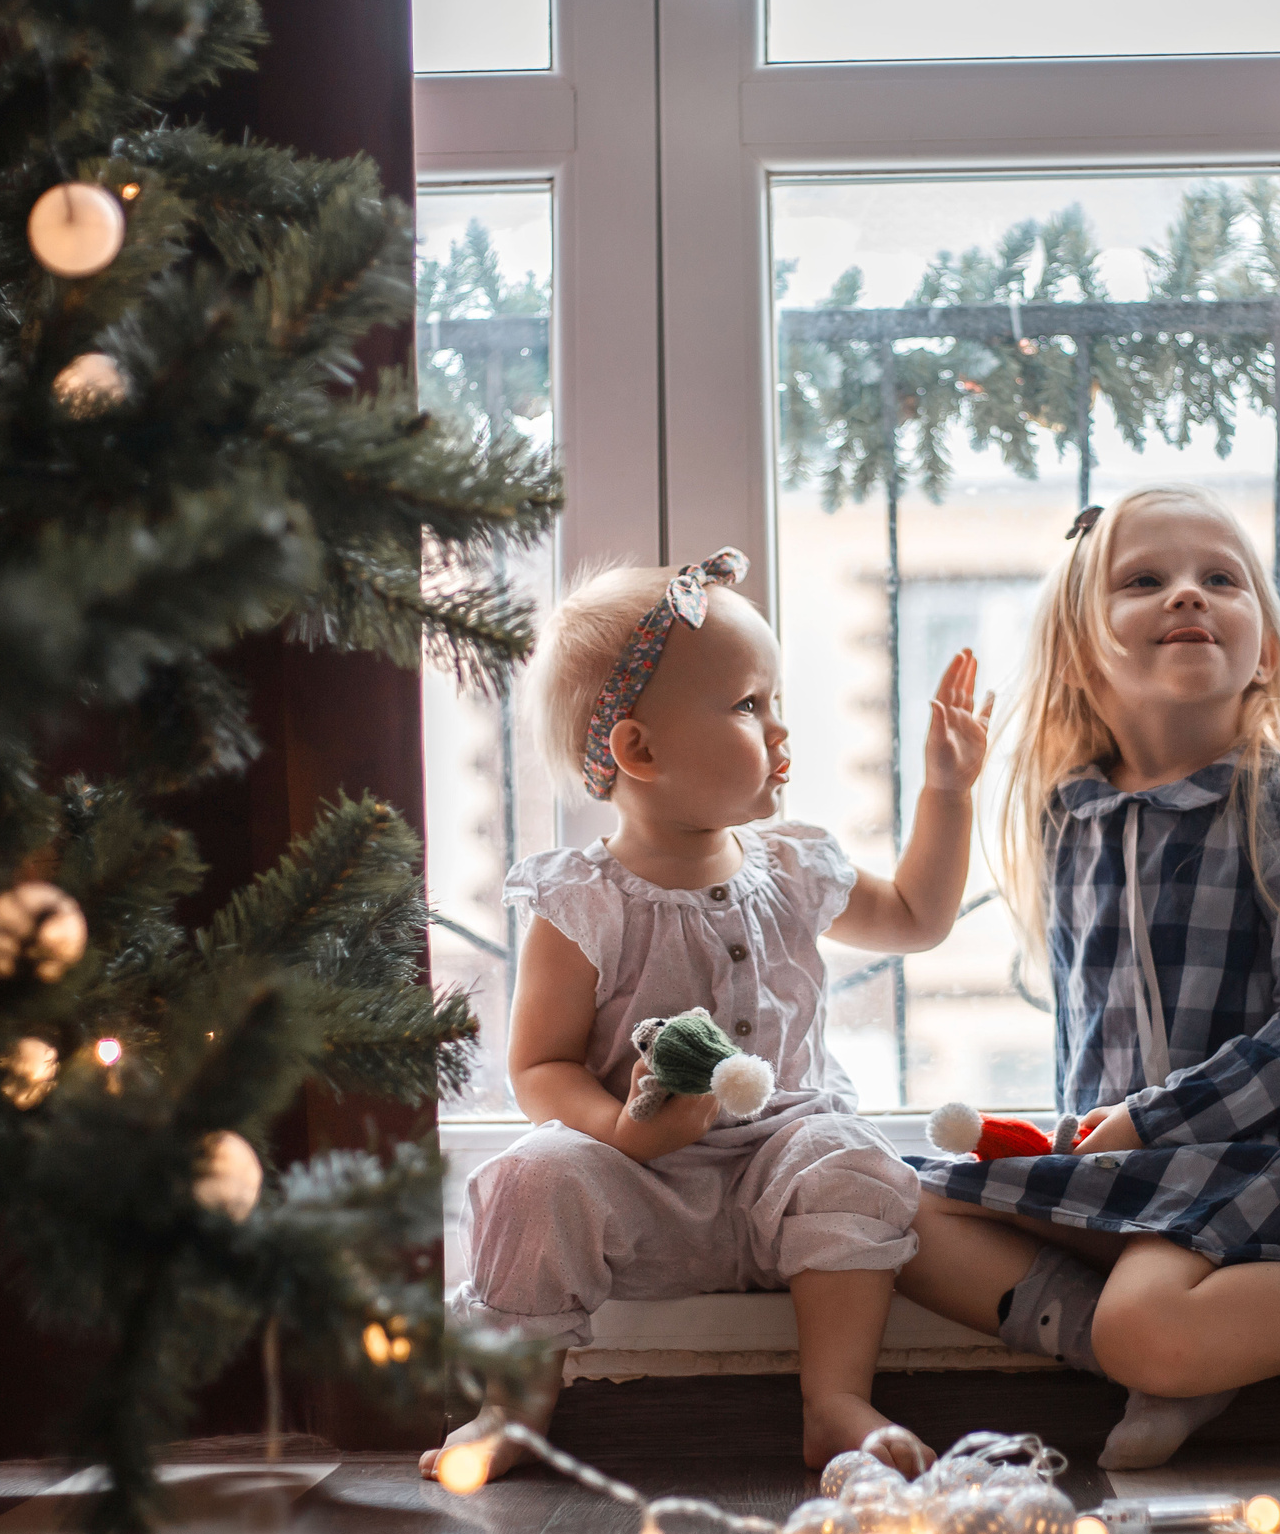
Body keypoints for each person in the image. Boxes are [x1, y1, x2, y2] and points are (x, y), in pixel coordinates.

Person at [895, 484, 1280, 1471]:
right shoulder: (1071, 819)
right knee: (896, 1214)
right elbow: (1087, 1027)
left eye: (1219, 580)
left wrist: (1159, 1117)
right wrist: (1090, 1143)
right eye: (1146, 580)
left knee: (1144, 1320)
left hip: (1265, 1161)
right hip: (1140, 1173)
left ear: (1264, 649)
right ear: (1079, 646)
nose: (1188, 596)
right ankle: (1169, 1362)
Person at [421, 549, 989, 1484]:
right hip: (639, 1188)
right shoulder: (585, 903)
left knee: (850, 1154)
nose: (780, 726)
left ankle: (833, 1399)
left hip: (781, 1168)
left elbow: (920, 920)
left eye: (773, 699)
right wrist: (621, 1130)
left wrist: (949, 790)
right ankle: (512, 1407)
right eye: (748, 706)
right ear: (639, 751)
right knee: (530, 1177)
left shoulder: (794, 866)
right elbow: (541, 1070)